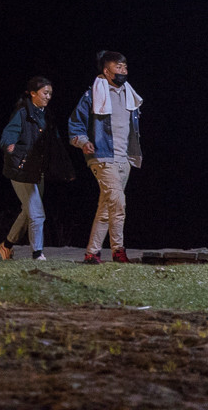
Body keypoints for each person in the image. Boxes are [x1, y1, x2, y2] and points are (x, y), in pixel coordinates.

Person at [68, 50, 142, 264]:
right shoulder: (93, 93)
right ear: (106, 71)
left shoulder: (130, 93)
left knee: (106, 207)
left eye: (125, 67)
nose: (123, 71)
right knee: (118, 203)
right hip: (101, 156)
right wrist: (83, 142)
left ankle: (92, 253)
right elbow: (74, 123)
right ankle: (118, 250)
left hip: (124, 158)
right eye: (118, 67)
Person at [0, 77, 74, 261]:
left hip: (36, 171)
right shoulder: (23, 113)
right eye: (45, 93)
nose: (48, 97)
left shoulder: (46, 114)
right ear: (33, 93)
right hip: (20, 170)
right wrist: (9, 144)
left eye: (50, 94)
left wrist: (66, 170)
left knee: (28, 211)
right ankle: (37, 254)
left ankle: (6, 245)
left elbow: (56, 144)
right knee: (37, 213)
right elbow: (8, 134)